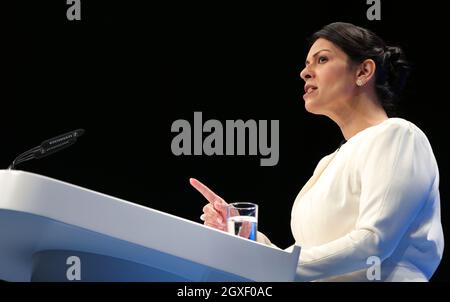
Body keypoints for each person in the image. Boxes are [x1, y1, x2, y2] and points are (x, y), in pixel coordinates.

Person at [189, 22, 444, 282]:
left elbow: (373, 242)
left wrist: (275, 264)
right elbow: (309, 261)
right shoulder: (327, 163)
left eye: (321, 59)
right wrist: (245, 238)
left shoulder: (398, 135)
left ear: (364, 71)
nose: (304, 73)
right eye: (306, 63)